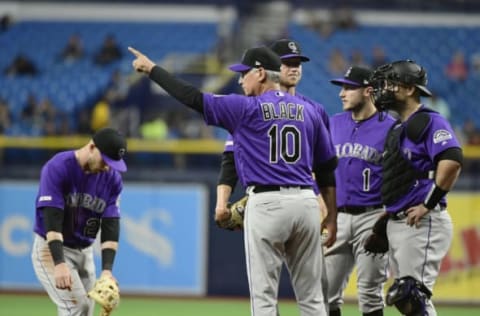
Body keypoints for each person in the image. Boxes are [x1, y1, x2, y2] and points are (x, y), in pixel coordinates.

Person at [130, 45, 338, 316]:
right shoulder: (309, 110)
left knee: (263, 298)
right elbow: (326, 168)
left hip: (267, 203)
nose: (240, 80)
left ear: (261, 73)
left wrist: (152, 70)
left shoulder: (245, 108)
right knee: (311, 299)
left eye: (244, 74)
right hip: (306, 204)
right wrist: (332, 217)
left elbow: (192, 97)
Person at [370, 60, 463, 316]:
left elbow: (452, 160)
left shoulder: (428, 121)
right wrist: (389, 213)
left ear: (410, 89)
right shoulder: (399, 126)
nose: (385, 89)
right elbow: (401, 176)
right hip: (401, 221)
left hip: (422, 222)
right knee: (407, 300)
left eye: (391, 84)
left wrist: (427, 204)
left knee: (412, 294)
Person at [31, 127, 127, 316]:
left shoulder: (112, 180)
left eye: (112, 163)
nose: (107, 167)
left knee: (86, 310)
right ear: (92, 147)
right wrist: (59, 262)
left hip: (85, 251)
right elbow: (52, 220)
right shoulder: (59, 167)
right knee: (77, 307)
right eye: (105, 160)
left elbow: (111, 225)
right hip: (51, 249)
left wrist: (107, 270)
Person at [326, 66, 396, 316]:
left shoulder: (391, 127)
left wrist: (388, 218)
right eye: (341, 87)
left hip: (373, 216)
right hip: (338, 216)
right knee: (324, 294)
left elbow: (401, 176)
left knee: (369, 293)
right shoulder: (332, 123)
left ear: (368, 91)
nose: (342, 93)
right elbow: (319, 169)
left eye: (348, 87)